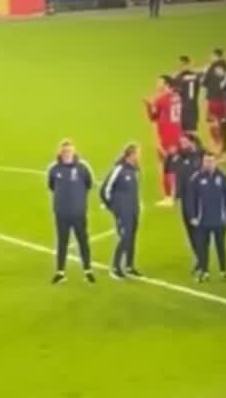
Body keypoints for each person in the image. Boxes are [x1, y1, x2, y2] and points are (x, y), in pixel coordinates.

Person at [47, 138, 95, 284]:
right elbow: (52, 186)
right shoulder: (54, 169)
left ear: (73, 151)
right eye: (64, 151)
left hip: (78, 213)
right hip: (61, 214)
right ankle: (60, 272)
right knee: (62, 242)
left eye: (69, 150)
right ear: (60, 152)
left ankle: (87, 270)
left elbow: (89, 184)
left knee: (83, 241)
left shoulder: (82, 168)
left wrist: (78, 202)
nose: (67, 153)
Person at [187, 149, 226, 282]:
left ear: (216, 162)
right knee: (203, 247)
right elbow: (191, 199)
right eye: (206, 161)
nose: (209, 164)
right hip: (202, 219)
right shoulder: (196, 178)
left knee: (221, 246)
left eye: (211, 161)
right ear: (203, 162)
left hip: (220, 219)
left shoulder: (223, 177)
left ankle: (223, 272)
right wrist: (192, 216)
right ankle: (204, 272)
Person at [101, 142, 142, 279]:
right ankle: (115, 267)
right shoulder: (119, 169)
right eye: (138, 153)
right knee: (125, 237)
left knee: (131, 237)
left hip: (133, 209)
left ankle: (129, 266)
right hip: (122, 211)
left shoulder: (135, 170)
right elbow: (105, 189)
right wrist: (112, 207)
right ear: (131, 155)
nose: (139, 156)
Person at [144, 75, 182, 205]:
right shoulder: (177, 97)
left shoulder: (161, 99)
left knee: (165, 165)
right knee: (174, 165)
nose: (157, 84)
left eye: (160, 82)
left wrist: (148, 105)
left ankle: (168, 196)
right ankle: (175, 193)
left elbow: (153, 117)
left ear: (166, 84)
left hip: (167, 135)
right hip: (177, 134)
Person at [169, 132, 205, 269]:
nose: (182, 145)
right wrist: (174, 194)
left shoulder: (200, 157)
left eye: (184, 142)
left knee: (198, 230)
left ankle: (202, 260)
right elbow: (173, 174)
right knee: (190, 230)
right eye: (181, 142)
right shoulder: (179, 157)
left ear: (192, 142)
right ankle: (199, 259)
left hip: (197, 198)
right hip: (185, 199)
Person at [203, 48, 226, 155]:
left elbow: (204, 82)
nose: (211, 58)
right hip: (224, 99)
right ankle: (222, 148)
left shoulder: (212, 66)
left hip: (213, 99)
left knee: (213, 124)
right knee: (221, 124)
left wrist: (206, 71)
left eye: (212, 56)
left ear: (215, 56)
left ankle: (216, 147)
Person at [173, 55, 202, 137]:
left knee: (187, 133)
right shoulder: (193, 76)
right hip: (188, 108)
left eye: (182, 64)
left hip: (186, 109)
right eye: (179, 65)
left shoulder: (184, 77)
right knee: (188, 133)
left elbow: (188, 95)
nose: (180, 66)